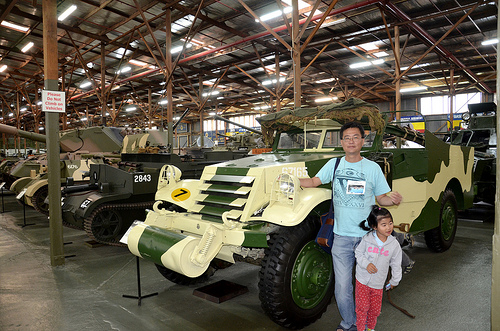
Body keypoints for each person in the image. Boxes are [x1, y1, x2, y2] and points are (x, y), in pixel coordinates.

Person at [299, 121, 402, 331]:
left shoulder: (373, 168)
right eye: (347, 138)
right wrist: (289, 180)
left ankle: (365, 322)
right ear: (342, 142)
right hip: (342, 238)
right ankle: (350, 323)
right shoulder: (334, 165)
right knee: (343, 287)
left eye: (356, 137)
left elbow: (381, 198)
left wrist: (393, 200)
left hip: (367, 239)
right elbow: (313, 181)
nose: (351, 141)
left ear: (363, 141)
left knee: (369, 284)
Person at [355, 206, 402, 331]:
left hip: (378, 283)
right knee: (362, 307)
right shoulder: (367, 239)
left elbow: (396, 264)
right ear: (374, 226)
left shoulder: (394, 244)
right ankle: (360, 328)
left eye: (390, 223)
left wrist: (394, 281)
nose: (388, 227)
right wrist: (366, 264)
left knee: (375, 310)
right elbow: (358, 253)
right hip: (362, 280)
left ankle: (370, 328)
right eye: (384, 224)